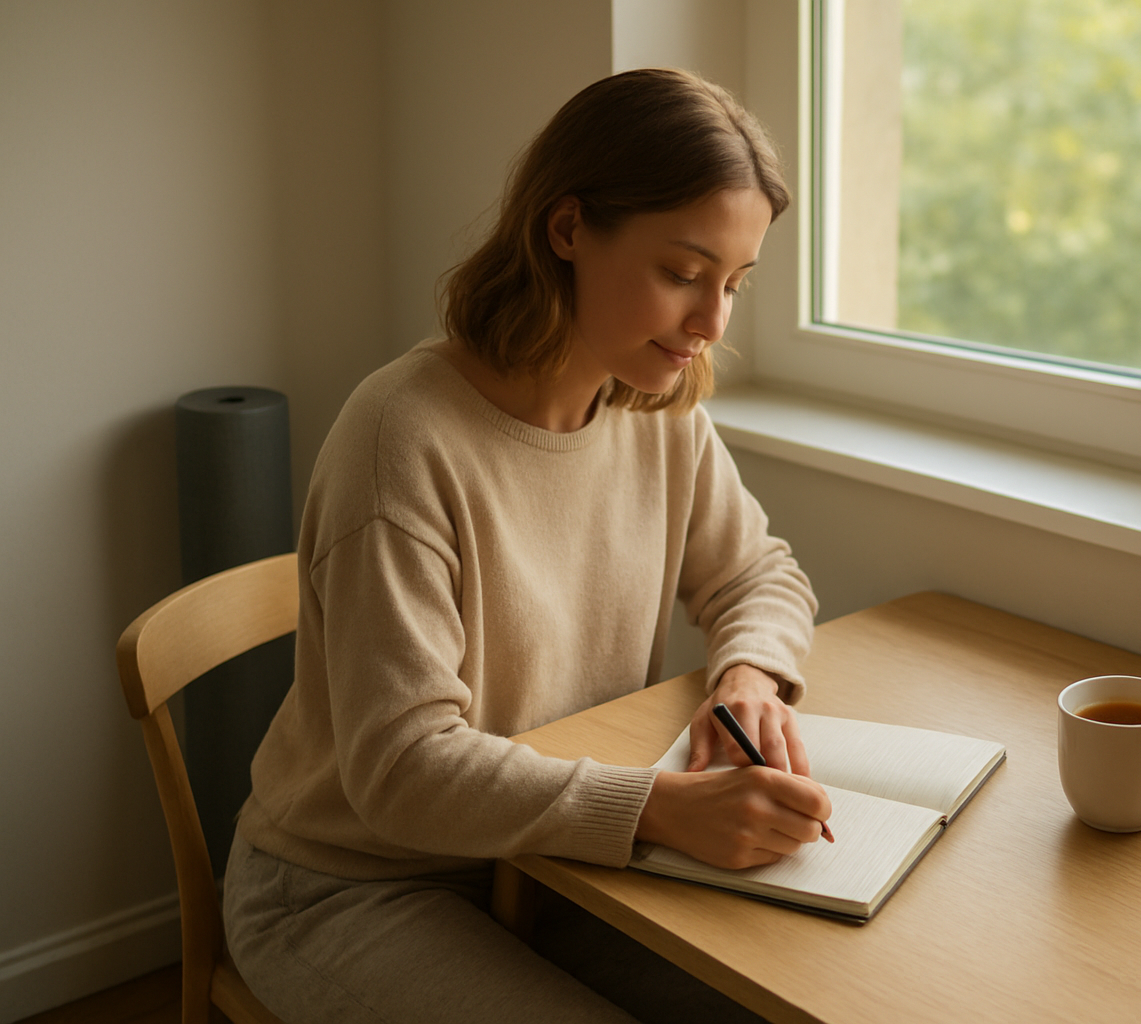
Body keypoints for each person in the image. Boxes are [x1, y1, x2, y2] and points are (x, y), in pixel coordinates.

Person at [222, 68, 830, 1023]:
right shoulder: (401, 438)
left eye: (734, 283)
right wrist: (661, 809)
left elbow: (758, 570)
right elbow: (403, 768)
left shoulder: (654, 408)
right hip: (351, 885)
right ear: (567, 229)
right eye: (682, 273)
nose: (711, 322)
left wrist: (747, 678)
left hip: (547, 866)